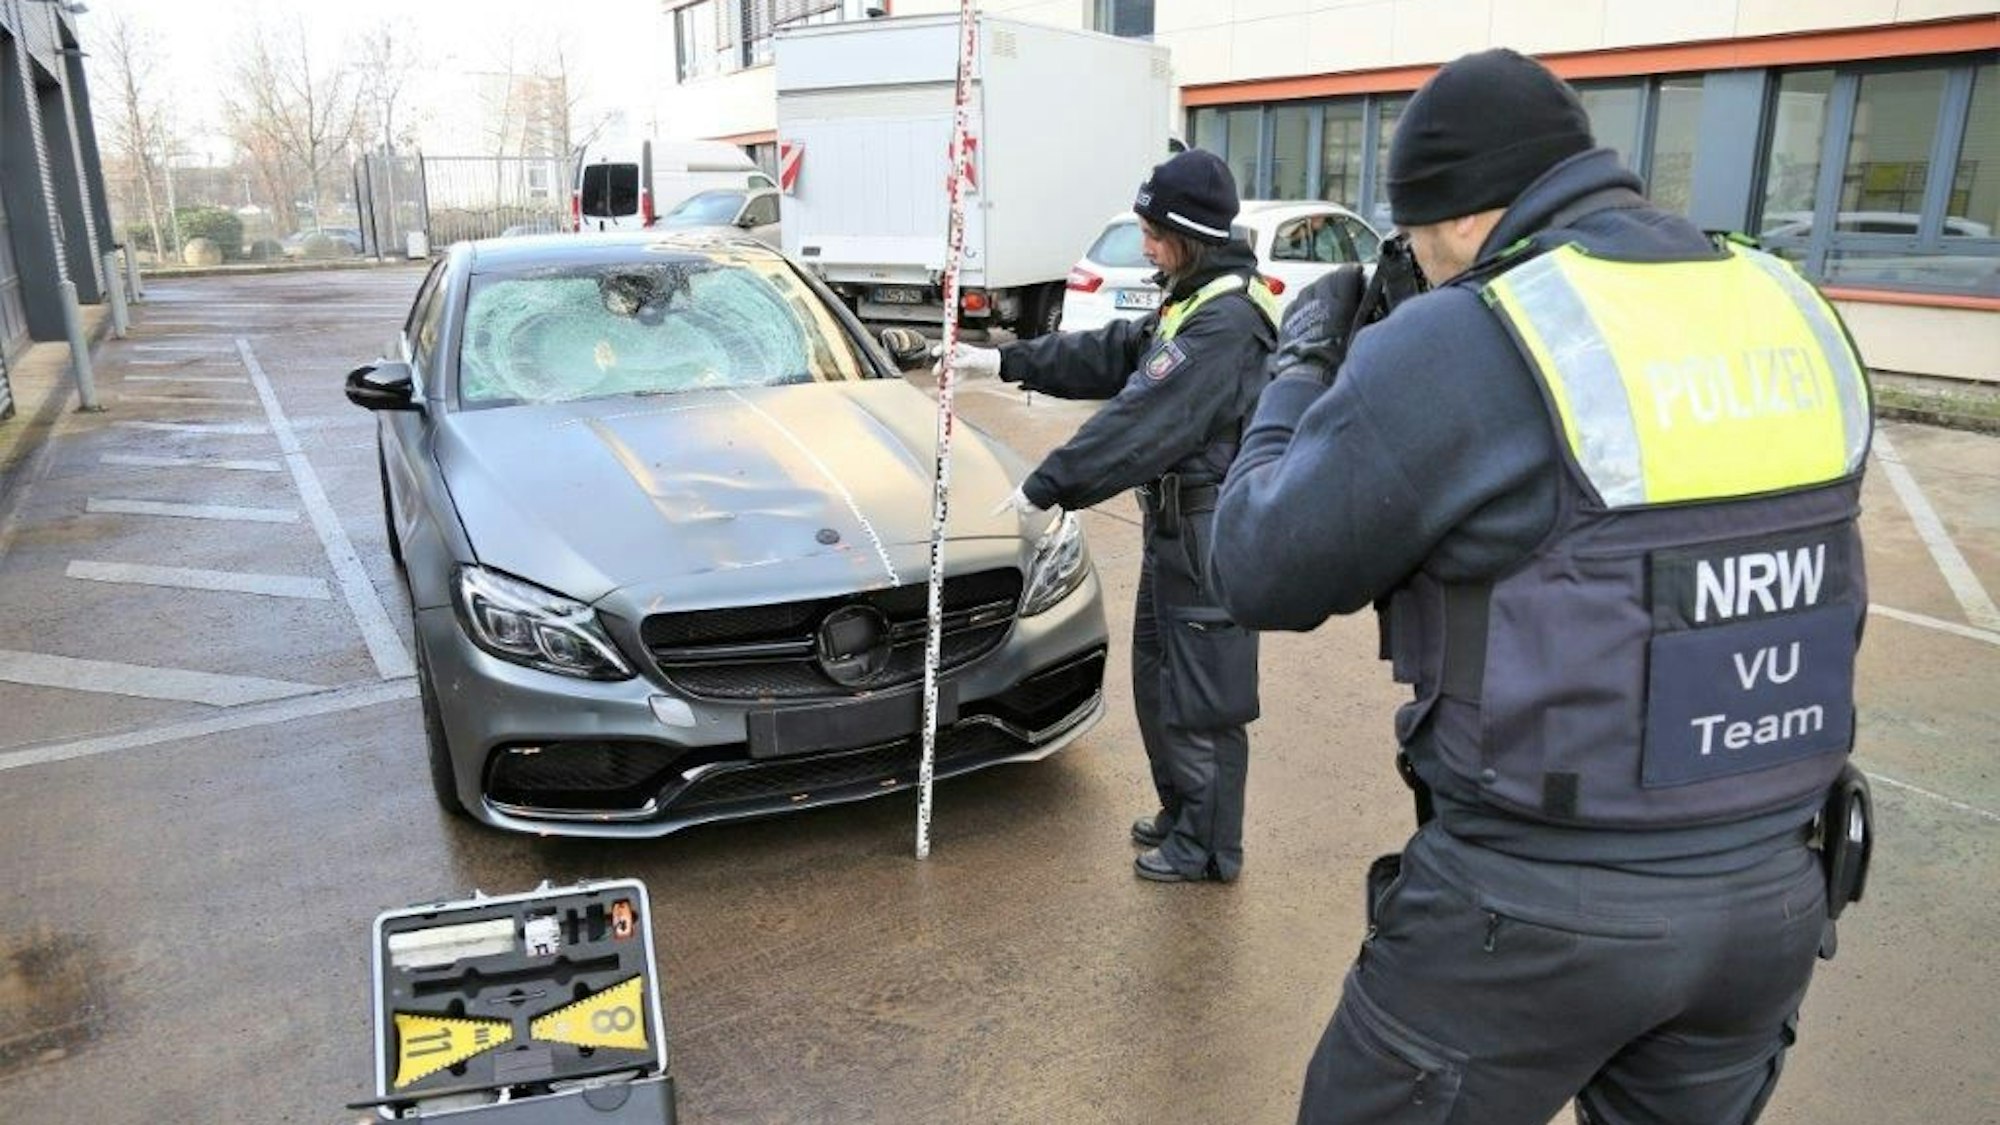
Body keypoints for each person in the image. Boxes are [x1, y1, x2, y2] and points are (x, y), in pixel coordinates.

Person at [1210, 49, 1873, 1123]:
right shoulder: (1786, 304)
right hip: (1770, 901)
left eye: (1418, 243)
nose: (1421, 268)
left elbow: (1255, 565)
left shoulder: (1471, 333)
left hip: (1532, 914)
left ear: (1462, 220)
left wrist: (1300, 366)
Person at [937, 148, 1278, 883]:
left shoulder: (1228, 324)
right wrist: (1004, 362)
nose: (1146, 245)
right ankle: (1184, 811)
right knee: (1158, 682)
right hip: (1173, 531)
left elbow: (1140, 420)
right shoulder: (1188, 297)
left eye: (1155, 232)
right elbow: (1116, 352)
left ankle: (1211, 846)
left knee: (1203, 695)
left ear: (1191, 233)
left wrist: (1047, 485)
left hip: (1210, 537)